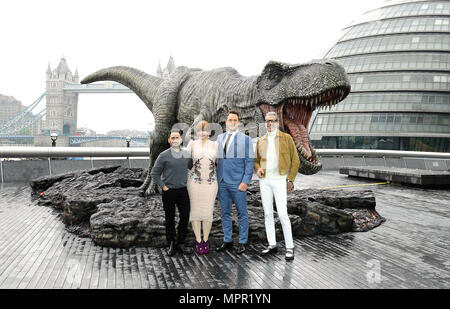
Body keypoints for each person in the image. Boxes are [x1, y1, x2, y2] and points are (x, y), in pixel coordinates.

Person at [253, 112, 300, 260]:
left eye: (272, 121)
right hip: (265, 181)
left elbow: (296, 160)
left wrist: (290, 180)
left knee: (282, 214)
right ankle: (272, 244)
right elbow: (256, 161)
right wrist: (258, 168)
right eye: (267, 121)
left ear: (277, 122)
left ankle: (290, 247)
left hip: (280, 180)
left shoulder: (286, 139)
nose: (269, 124)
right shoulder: (261, 140)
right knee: (267, 213)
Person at [216, 110, 254, 254]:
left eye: (235, 120)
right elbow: (217, 158)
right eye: (230, 120)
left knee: (242, 213)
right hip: (222, 181)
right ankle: (227, 240)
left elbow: (249, 162)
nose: (232, 122)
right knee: (225, 213)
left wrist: (246, 181)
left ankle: (243, 241)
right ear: (226, 122)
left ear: (238, 122)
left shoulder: (245, 139)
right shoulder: (219, 138)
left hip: (238, 182)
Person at [150, 130, 193, 256]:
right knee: (170, 218)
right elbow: (154, 173)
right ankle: (171, 244)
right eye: (172, 138)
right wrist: (163, 187)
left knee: (185, 216)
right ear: (169, 140)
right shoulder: (163, 155)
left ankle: (181, 243)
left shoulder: (186, 154)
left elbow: (191, 167)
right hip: (168, 191)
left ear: (181, 140)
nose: (175, 140)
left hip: (183, 190)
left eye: (177, 137)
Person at [186, 121, 219, 254]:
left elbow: (218, 163)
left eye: (205, 130)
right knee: (195, 210)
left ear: (210, 132)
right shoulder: (192, 144)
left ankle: (206, 239)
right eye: (199, 130)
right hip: (194, 183)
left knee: (207, 211)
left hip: (211, 183)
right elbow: (184, 162)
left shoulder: (216, 145)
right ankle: (198, 240)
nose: (202, 133)